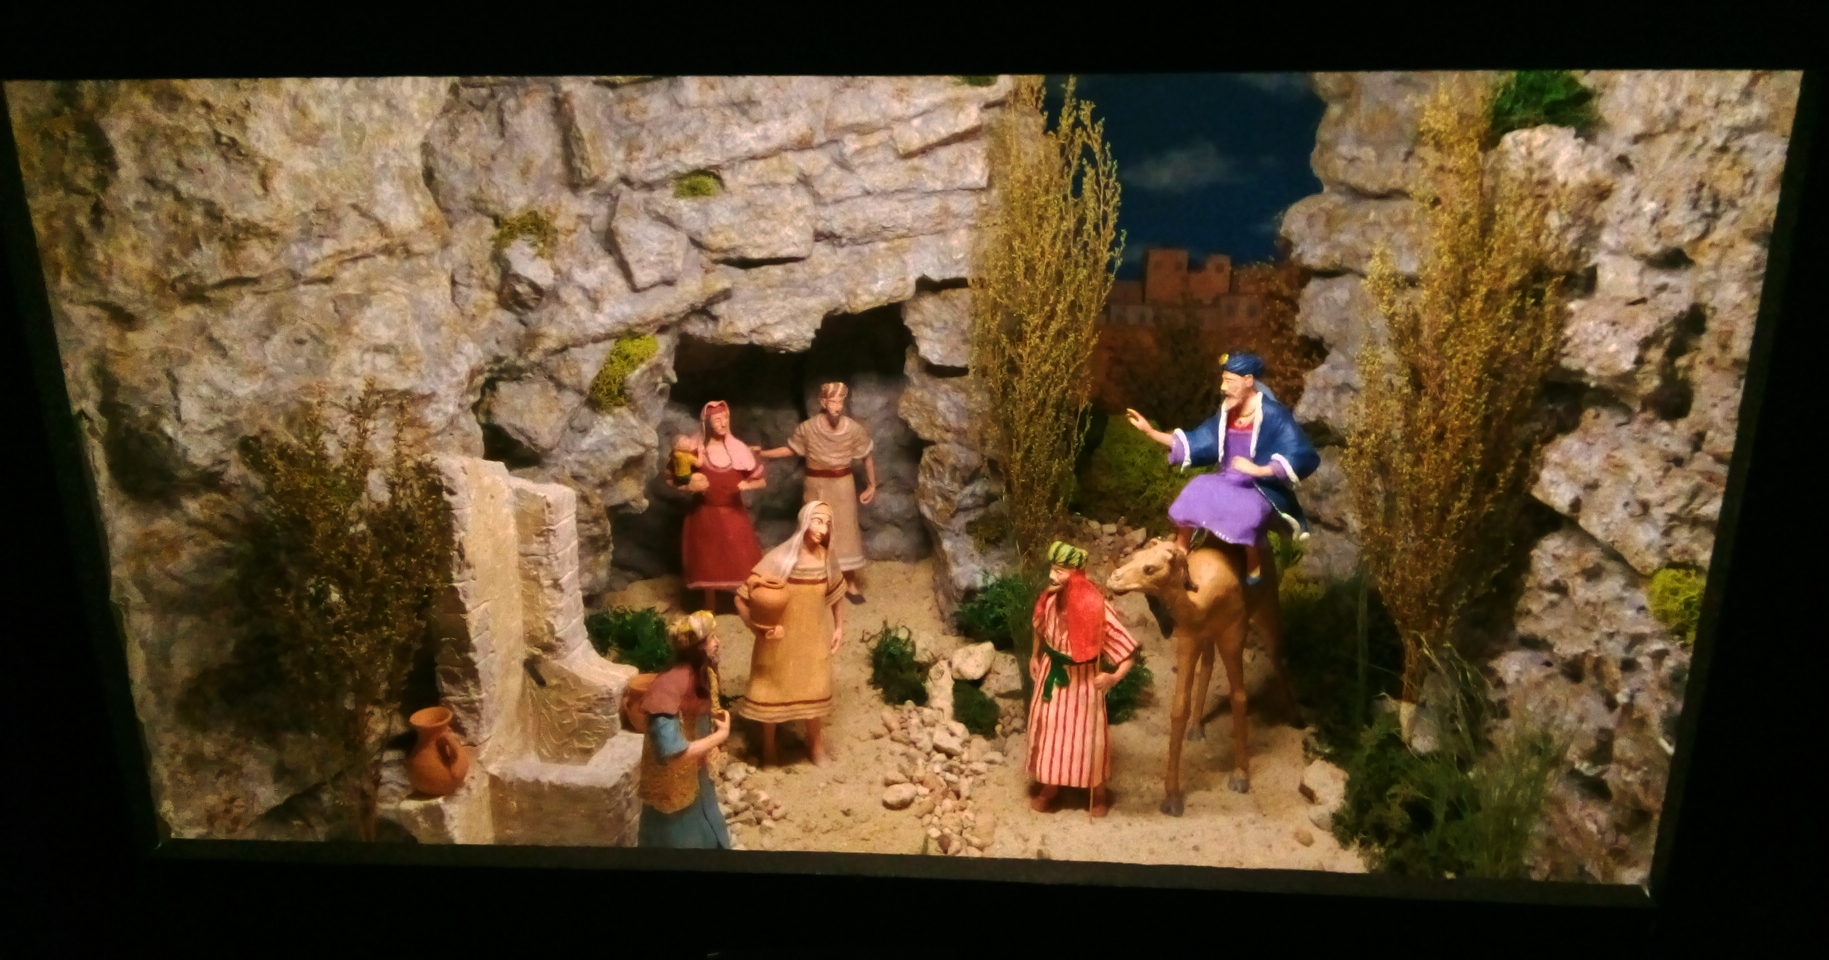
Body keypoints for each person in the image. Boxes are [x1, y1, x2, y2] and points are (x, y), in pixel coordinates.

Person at [1125, 351, 1320, 586]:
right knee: (1196, 488)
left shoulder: (1273, 414)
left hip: (1257, 486)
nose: (1223, 387)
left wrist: (1258, 470)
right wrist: (1150, 431)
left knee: (1249, 510)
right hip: (1227, 478)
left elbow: (1300, 452)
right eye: (1223, 380)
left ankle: (1253, 557)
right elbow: (1200, 439)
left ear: (1248, 381)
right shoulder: (1227, 413)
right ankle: (1182, 547)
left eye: (1230, 381)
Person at [1026, 540, 1139, 819]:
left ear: (1076, 575)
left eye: (1060, 571)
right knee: (1049, 731)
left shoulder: (1096, 607)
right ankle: (1050, 784)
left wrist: (1113, 677)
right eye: (1053, 568)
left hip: (1084, 683)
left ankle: (1097, 791)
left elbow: (1127, 652)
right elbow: (1038, 626)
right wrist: (1034, 655)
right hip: (1053, 676)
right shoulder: (1049, 600)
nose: (1053, 576)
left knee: (1087, 739)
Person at [732, 500, 846, 768]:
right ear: (804, 522)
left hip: (813, 637)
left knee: (815, 685)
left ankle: (815, 745)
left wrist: (839, 626)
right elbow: (742, 597)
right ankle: (769, 748)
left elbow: (836, 592)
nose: (822, 529)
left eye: (827, 523)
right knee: (772, 688)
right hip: (779, 640)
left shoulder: (826, 559)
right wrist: (756, 628)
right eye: (817, 521)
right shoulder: (780, 559)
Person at [757, 382, 877, 604]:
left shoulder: (852, 429)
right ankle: (816, 580)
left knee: (846, 530)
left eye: (840, 401)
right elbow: (791, 449)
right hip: (815, 484)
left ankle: (849, 582)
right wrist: (763, 453)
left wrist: (872, 484)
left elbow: (866, 455)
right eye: (833, 401)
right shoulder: (808, 428)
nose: (837, 406)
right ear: (823, 402)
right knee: (813, 529)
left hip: (842, 484)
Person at [637, 610, 734, 849]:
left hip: (698, 774)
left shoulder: (705, 673)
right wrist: (720, 736)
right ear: (698, 647)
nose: (717, 642)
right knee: (679, 841)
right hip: (673, 786)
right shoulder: (667, 687)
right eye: (711, 638)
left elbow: (708, 708)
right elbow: (671, 752)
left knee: (708, 827)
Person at [675, 401, 767, 613]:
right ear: (707, 423)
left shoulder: (739, 449)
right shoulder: (694, 449)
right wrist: (689, 485)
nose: (723, 423)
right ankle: (710, 605)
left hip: (733, 513)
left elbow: (760, 480)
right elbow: (674, 477)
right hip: (704, 516)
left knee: (742, 556)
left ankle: (747, 600)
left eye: (725, 418)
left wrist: (748, 484)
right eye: (717, 420)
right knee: (708, 561)